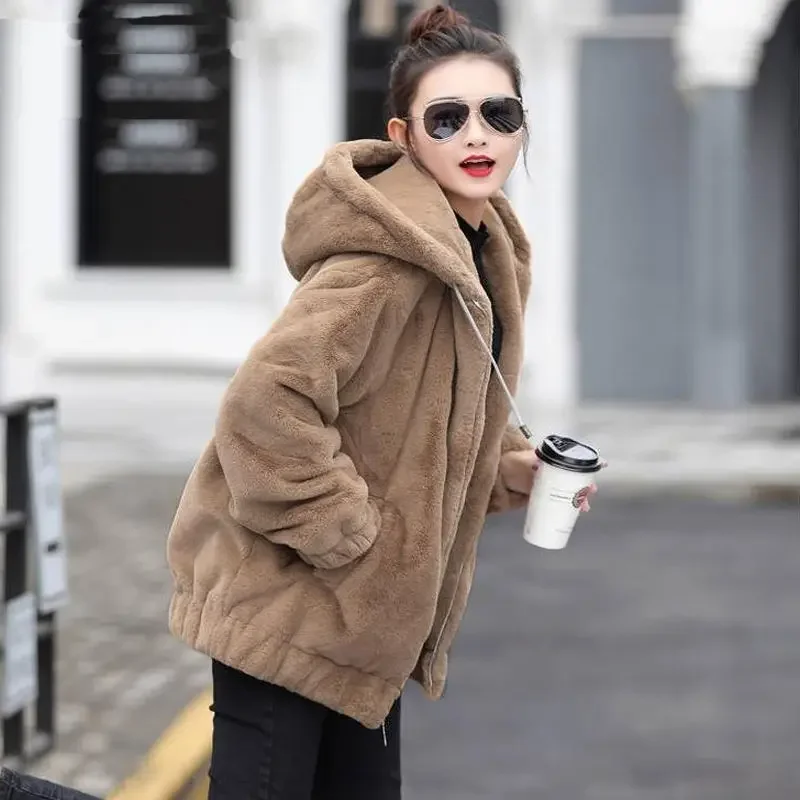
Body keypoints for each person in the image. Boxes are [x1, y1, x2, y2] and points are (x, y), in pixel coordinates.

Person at [166, 5, 597, 798]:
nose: (477, 136)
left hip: (362, 627)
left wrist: (510, 469)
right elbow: (264, 407)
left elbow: (424, 415)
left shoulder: (479, 252)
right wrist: (353, 541)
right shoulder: (382, 263)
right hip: (290, 607)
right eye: (448, 118)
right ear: (405, 137)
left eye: (499, 115)